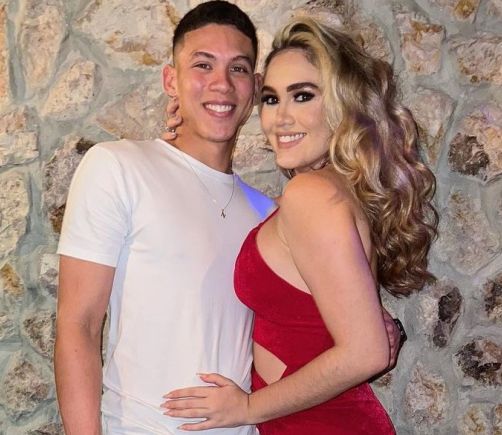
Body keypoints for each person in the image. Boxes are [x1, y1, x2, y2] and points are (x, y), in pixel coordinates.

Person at [54, 2, 402, 434]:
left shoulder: (269, 211)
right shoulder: (117, 167)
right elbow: (78, 325)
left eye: (237, 68)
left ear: (252, 88)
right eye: (203, 65)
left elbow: (326, 324)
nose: (220, 84)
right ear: (171, 80)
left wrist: (385, 326)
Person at [160, 17, 438, 434]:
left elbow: (366, 353)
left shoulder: (311, 195)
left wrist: (247, 407)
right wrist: (181, 145)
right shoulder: (323, 192)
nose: (281, 118)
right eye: (271, 99)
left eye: (302, 96)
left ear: (342, 106)